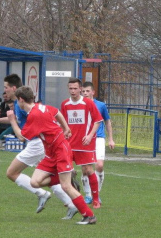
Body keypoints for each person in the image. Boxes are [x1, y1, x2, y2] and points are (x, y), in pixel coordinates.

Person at [8, 86, 96, 224]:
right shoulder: (41, 107)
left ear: (21, 100)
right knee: (35, 182)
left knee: (66, 186)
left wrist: (12, 120)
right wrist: (66, 128)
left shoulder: (35, 115)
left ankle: (89, 216)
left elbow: (21, 137)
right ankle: (65, 176)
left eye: (17, 101)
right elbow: (57, 112)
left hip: (60, 150)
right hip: (50, 153)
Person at [0, 74, 52, 213]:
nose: (4, 90)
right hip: (39, 143)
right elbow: (15, 120)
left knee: (12, 173)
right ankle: (70, 201)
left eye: (6, 87)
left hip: (36, 143)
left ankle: (45, 192)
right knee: (45, 174)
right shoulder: (19, 104)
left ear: (13, 88)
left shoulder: (21, 105)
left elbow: (20, 129)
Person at [61, 77, 103, 209]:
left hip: (85, 143)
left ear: (80, 89)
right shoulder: (65, 104)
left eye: (75, 88)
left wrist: (90, 136)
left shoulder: (88, 103)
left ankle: (95, 199)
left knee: (88, 170)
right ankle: (75, 197)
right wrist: (64, 132)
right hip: (69, 143)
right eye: (70, 88)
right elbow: (62, 121)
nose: (73, 91)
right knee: (67, 172)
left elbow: (97, 121)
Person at [82, 81, 115, 203]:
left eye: (87, 91)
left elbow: (107, 121)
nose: (85, 93)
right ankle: (88, 195)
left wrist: (111, 139)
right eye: (83, 91)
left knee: (99, 165)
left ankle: (97, 193)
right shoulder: (79, 105)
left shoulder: (100, 105)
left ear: (93, 92)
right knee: (86, 168)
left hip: (99, 138)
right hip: (84, 139)